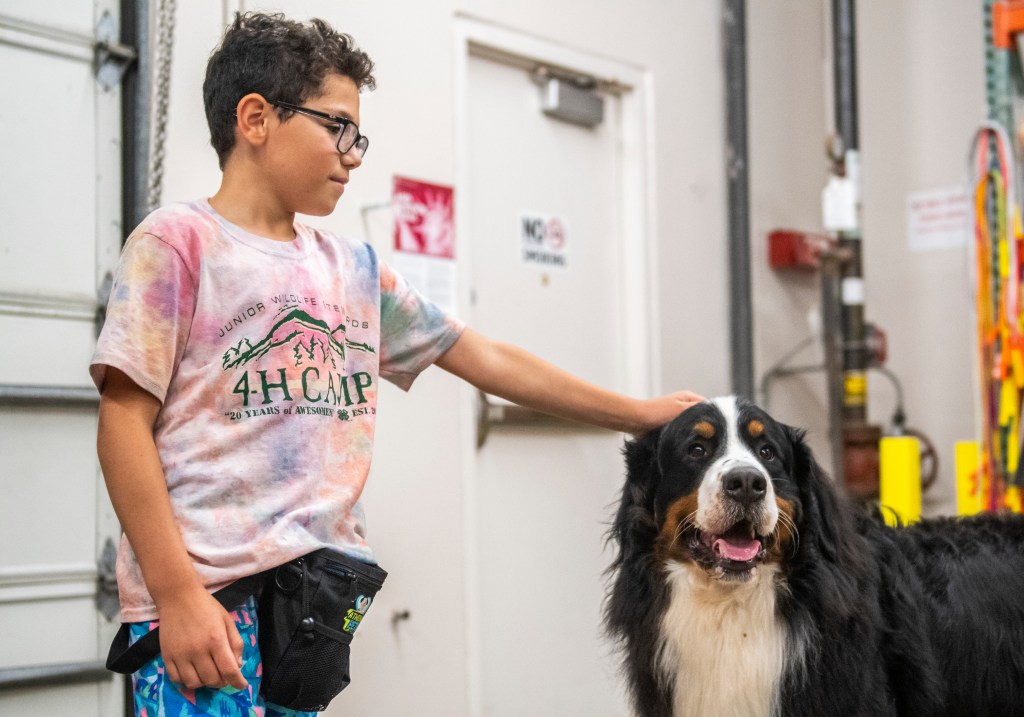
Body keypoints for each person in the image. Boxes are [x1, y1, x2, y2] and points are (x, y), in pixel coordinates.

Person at [92, 11, 703, 717]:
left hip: (312, 602)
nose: (353, 154)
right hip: (206, 602)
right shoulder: (178, 244)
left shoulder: (354, 271)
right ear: (256, 118)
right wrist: (175, 595)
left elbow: (487, 358)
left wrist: (640, 413)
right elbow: (122, 424)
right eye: (336, 127)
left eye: (360, 135)